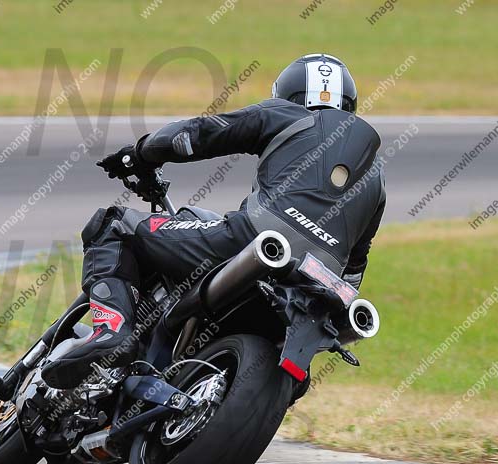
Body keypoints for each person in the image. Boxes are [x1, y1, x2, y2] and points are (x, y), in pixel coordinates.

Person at [41, 53, 386, 389]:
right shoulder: (376, 175)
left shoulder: (287, 115)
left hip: (251, 239)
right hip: (319, 285)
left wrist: (141, 153)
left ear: (288, 95)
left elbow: (199, 134)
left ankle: (111, 330)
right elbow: (356, 264)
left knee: (114, 224)